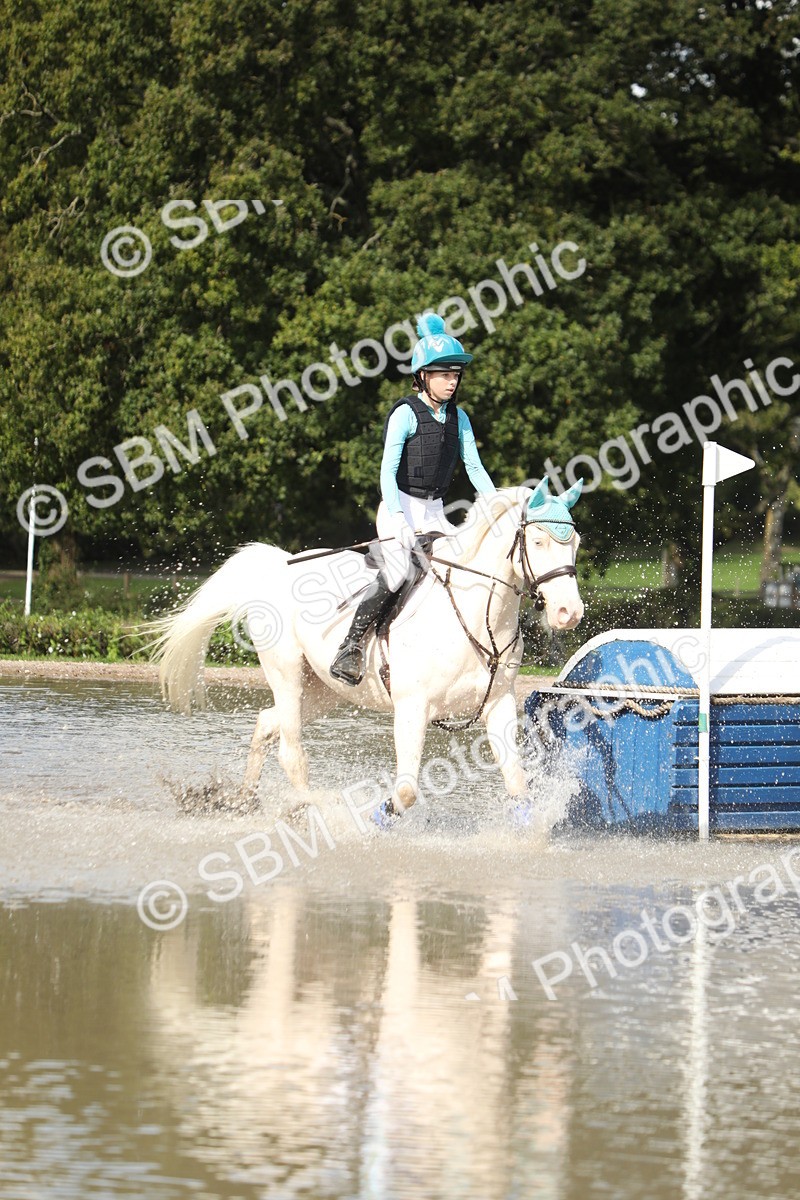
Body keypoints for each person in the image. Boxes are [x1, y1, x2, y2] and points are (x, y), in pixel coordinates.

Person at [330, 311, 496, 686]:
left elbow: (475, 469)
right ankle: (351, 646)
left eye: (455, 374)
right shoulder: (405, 414)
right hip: (398, 506)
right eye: (443, 374)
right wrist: (398, 519)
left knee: (460, 568)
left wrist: (499, 506)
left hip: (435, 512)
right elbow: (387, 473)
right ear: (423, 375)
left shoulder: (460, 419)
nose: (451, 382)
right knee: (399, 571)